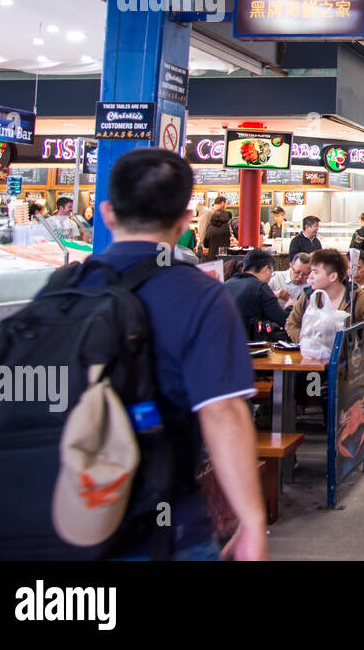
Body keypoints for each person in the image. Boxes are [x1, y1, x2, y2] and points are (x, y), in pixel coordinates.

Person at [83, 148, 265, 559]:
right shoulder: (199, 295)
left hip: (61, 520)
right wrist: (251, 520)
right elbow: (223, 413)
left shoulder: (64, 288)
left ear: (108, 214)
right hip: (161, 529)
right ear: (184, 220)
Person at [284, 249, 364, 356]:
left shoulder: (360, 300)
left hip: (350, 369)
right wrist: (309, 343)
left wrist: (353, 348)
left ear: (333, 276)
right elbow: (291, 324)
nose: (310, 276)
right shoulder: (308, 297)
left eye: (316, 272)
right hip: (312, 364)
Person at [223, 248, 288, 338]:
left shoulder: (225, 285)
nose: (270, 277)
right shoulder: (260, 287)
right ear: (266, 269)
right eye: (271, 272)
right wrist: (290, 307)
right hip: (250, 345)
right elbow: (283, 320)